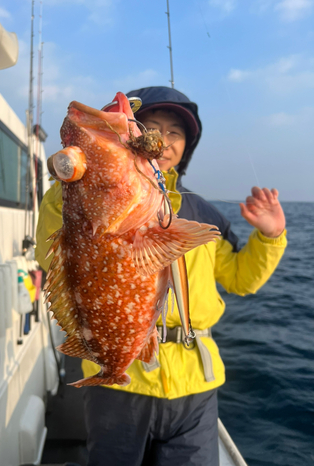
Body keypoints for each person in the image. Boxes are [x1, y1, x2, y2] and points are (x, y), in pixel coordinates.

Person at [35, 86, 287, 466]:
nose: (164, 140)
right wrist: (74, 181)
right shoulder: (83, 196)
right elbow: (50, 255)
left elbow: (240, 279)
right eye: (151, 127)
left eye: (175, 132)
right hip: (123, 381)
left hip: (195, 386)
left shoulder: (205, 212)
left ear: (187, 145)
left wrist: (270, 236)